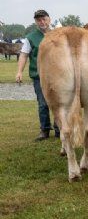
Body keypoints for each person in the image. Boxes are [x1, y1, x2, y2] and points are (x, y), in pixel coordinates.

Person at [16, 10, 60, 141]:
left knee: (58, 102)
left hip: (58, 75)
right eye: (38, 20)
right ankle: (44, 130)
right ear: (35, 22)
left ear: (49, 19)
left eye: (44, 19)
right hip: (39, 76)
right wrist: (19, 72)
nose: (42, 22)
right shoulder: (30, 37)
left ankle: (60, 129)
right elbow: (24, 55)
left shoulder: (57, 35)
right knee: (43, 103)